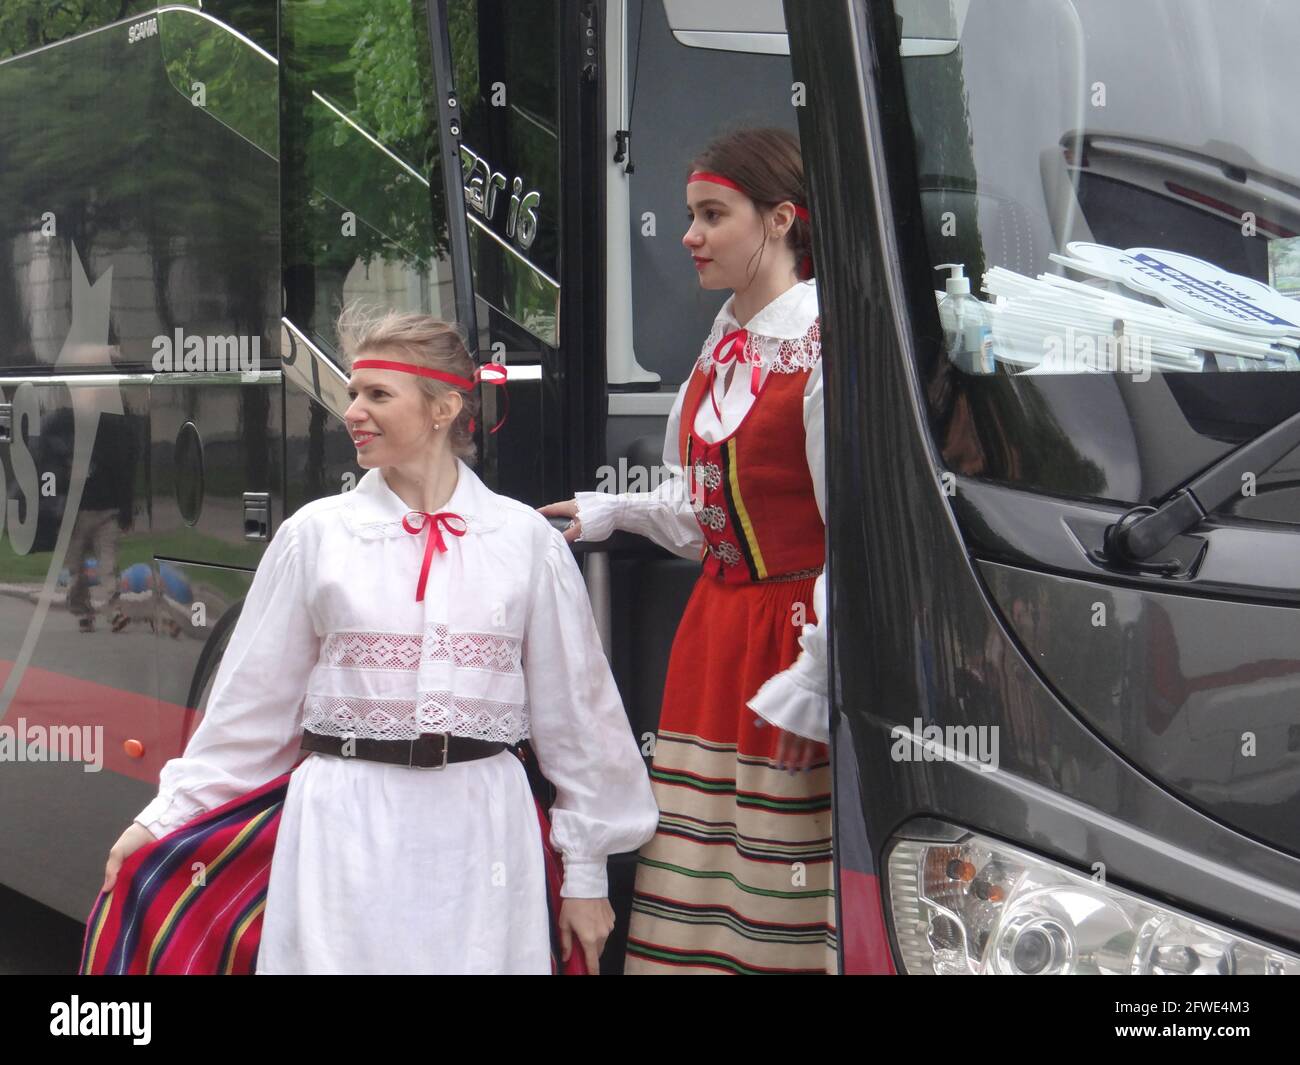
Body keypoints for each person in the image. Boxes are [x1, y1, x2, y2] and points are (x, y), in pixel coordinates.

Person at [99, 307, 658, 974]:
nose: (354, 412)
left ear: (443, 407)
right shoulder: (317, 536)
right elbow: (249, 712)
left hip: (482, 830)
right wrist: (161, 820)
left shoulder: (523, 542)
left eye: (378, 394)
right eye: (353, 393)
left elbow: (580, 718)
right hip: (344, 831)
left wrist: (588, 873)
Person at [540, 127, 835, 974]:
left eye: (712, 215)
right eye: (690, 214)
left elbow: (848, 528)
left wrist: (817, 670)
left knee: (777, 872)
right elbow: (704, 509)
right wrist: (611, 512)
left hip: (791, 639)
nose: (689, 235)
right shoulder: (722, 343)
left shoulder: (821, 349)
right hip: (715, 635)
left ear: (780, 220)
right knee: (702, 872)